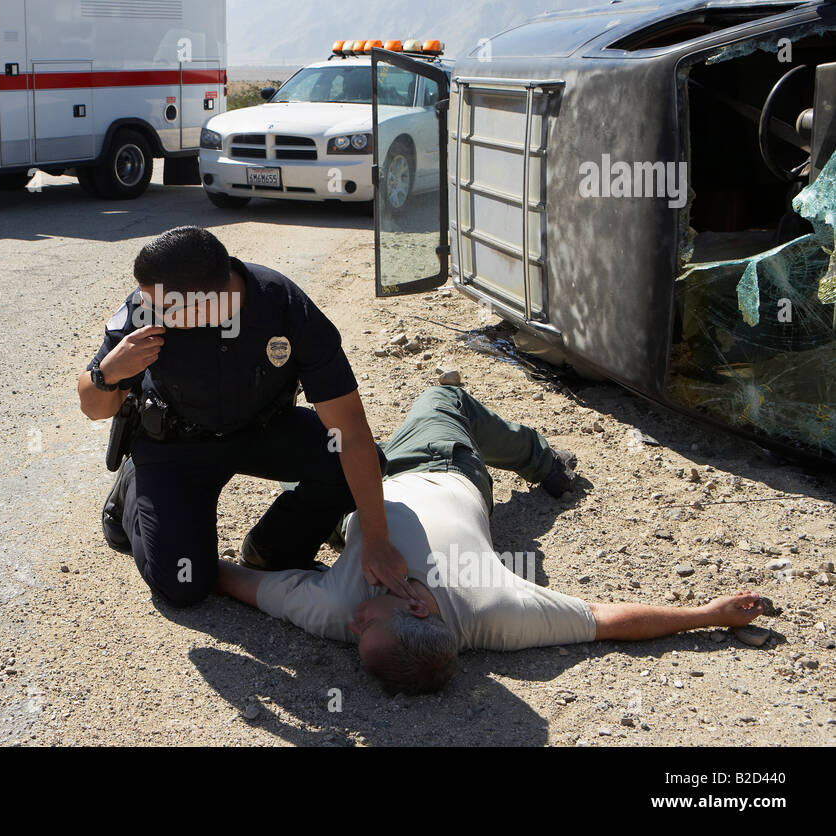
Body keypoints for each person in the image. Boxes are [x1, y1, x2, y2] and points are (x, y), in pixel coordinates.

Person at [216, 385, 768, 694]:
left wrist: (179, 562)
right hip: (439, 464)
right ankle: (544, 460)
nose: (355, 622)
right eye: (370, 625)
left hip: (354, 496)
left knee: (301, 465)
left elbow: (232, 580)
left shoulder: (339, 610)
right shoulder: (497, 609)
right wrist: (707, 614)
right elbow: (607, 620)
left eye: (358, 635)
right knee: (443, 397)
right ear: (418, 606)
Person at [79, 226, 413, 608]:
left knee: (354, 462)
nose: (148, 309)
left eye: (161, 307)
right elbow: (93, 407)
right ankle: (133, 486)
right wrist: (109, 372)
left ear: (207, 302)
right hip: (174, 446)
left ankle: (270, 550)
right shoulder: (146, 308)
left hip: (259, 431)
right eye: (146, 300)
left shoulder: (285, 307)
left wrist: (377, 542)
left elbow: (350, 429)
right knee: (184, 585)